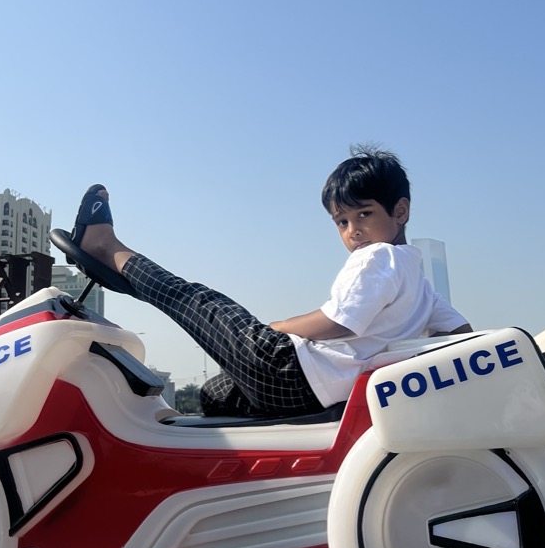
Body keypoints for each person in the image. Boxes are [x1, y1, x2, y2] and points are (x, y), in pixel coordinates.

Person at [70, 146, 472, 418]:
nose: (354, 232)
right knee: (216, 393)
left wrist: (272, 329)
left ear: (400, 211)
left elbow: (339, 322)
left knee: (196, 300)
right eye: (342, 222)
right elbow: (461, 333)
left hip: (288, 371)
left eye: (364, 214)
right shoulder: (420, 284)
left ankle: (106, 248)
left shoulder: (378, 256)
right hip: (315, 396)